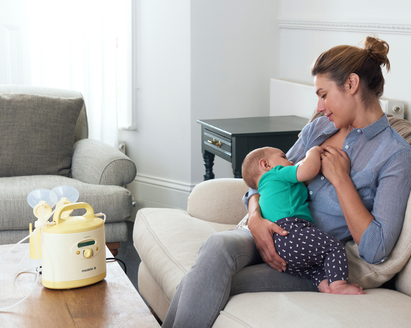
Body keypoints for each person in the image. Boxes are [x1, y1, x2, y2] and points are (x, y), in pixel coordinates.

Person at [163, 36, 411, 328]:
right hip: (264, 228)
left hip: (306, 258)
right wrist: (255, 218)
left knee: (208, 279)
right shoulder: (319, 128)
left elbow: (376, 248)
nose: (319, 107)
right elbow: (264, 179)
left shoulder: (395, 154)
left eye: (323, 94)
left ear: (352, 84)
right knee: (216, 247)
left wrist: (341, 181)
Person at [241, 146, 364, 294]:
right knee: (333, 247)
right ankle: (339, 285)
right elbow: (309, 169)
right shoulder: (277, 173)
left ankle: (324, 284)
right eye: (283, 157)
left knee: (312, 269)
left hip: (277, 246)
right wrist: (313, 151)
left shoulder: (263, 189)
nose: (291, 161)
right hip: (291, 231)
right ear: (266, 165)